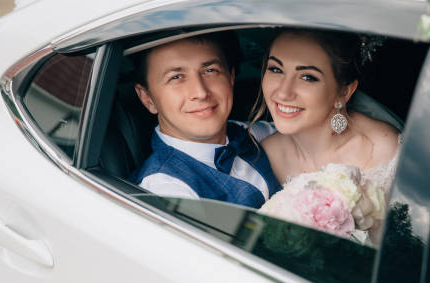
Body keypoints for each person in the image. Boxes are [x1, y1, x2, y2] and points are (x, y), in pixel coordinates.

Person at [251, 29, 402, 242]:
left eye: (307, 77)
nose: (283, 92)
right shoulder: (263, 155)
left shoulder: (381, 149)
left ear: (344, 92)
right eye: (276, 69)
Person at [132, 33, 281, 208]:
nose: (201, 92)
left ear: (231, 78)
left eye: (210, 71)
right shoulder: (166, 189)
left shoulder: (250, 133)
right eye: (176, 77)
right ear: (147, 98)